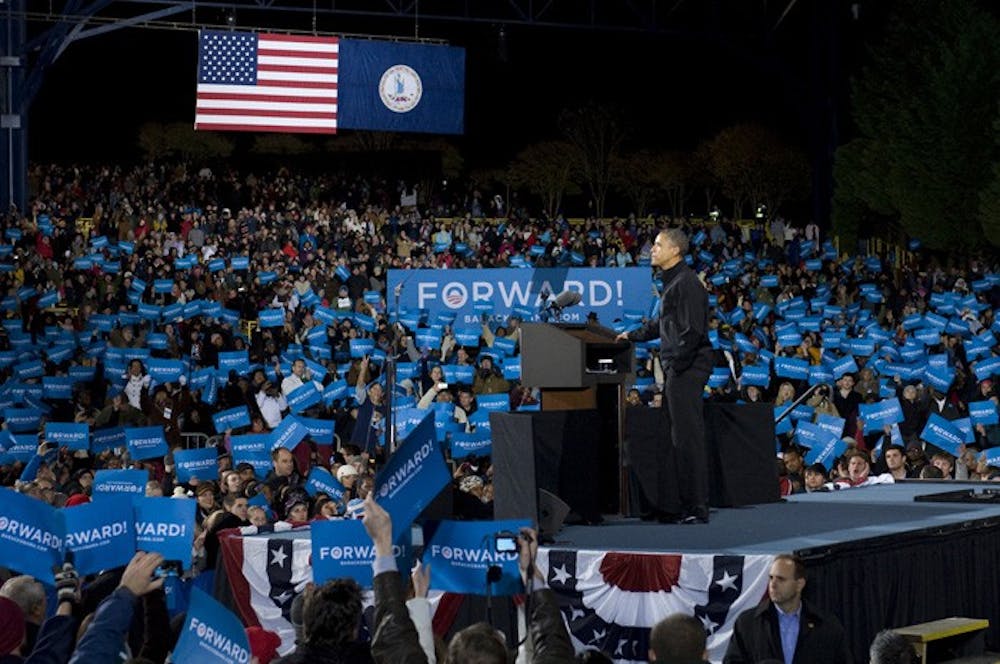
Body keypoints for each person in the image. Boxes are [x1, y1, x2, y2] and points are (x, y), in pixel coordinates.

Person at [616, 228, 714, 524]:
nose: (652, 249)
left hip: (685, 368)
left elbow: (692, 331)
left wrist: (676, 365)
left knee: (687, 440)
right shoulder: (673, 283)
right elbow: (662, 325)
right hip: (678, 368)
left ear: (676, 251)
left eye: (658, 245)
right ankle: (676, 504)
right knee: (673, 439)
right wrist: (630, 335)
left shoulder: (687, 284)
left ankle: (697, 508)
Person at [723, 554, 852, 664]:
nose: (772, 584)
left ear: (799, 584)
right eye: (771, 578)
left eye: (781, 579)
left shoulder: (826, 626)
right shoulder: (748, 623)